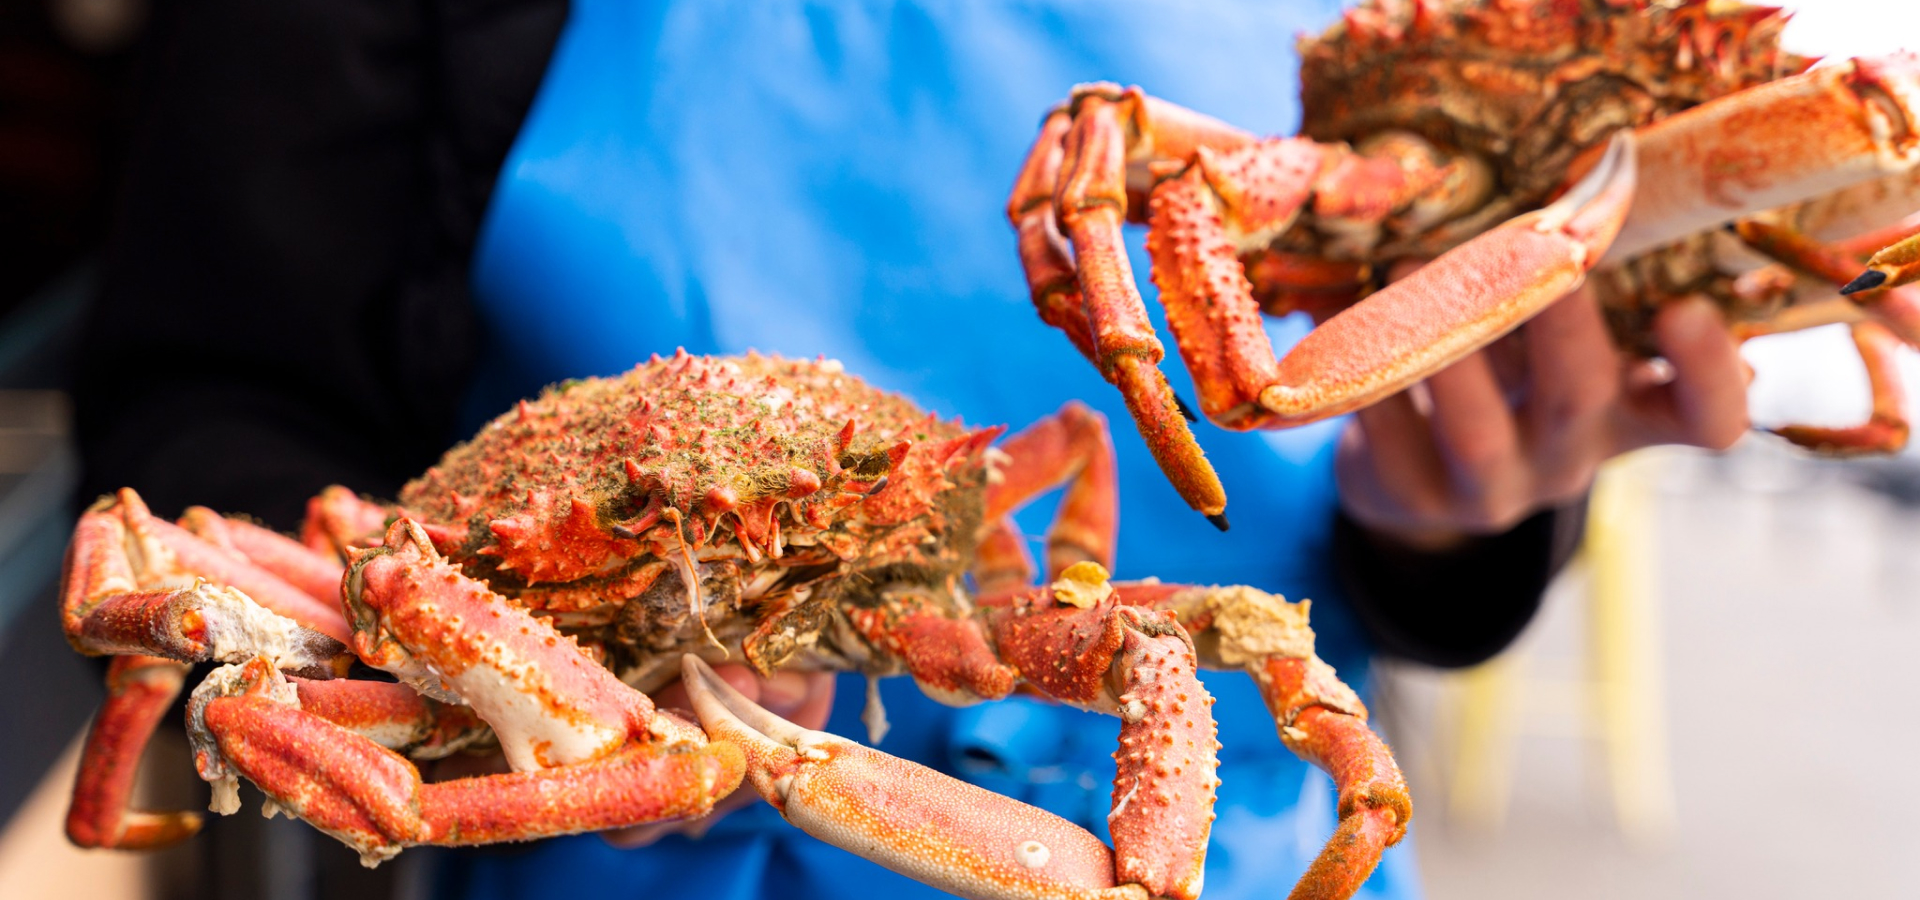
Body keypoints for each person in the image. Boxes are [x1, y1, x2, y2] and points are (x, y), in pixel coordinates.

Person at [76, 1, 1750, 898]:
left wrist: (1464, 517)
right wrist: (464, 735)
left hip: (1186, 825)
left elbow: (1344, 568)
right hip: (550, 759)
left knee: (1212, 653)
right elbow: (207, 406)